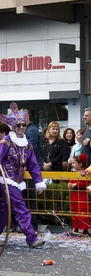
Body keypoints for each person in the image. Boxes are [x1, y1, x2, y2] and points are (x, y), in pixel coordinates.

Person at [0, 103, 46, 248]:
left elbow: (33, 165)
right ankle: (31, 238)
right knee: (21, 207)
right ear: (13, 126)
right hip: (5, 180)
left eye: (23, 125)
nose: (21, 127)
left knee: (5, 208)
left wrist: (39, 181)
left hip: (17, 181)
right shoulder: (6, 141)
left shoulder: (28, 145)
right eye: (18, 125)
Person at [23, 110, 42, 230]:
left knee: (30, 197)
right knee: (25, 197)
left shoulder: (32, 131)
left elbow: (32, 151)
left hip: (30, 168)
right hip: (25, 168)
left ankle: (32, 224)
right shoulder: (28, 130)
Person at [68, 153, 91, 234]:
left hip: (82, 195)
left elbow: (86, 183)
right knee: (74, 211)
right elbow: (70, 182)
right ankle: (76, 227)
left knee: (82, 211)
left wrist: (75, 184)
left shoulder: (86, 173)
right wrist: (70, 185)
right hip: (74, 195)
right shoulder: (74, 173)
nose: (72, 165)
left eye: (74, 163)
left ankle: (84, 228)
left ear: (80, 164)